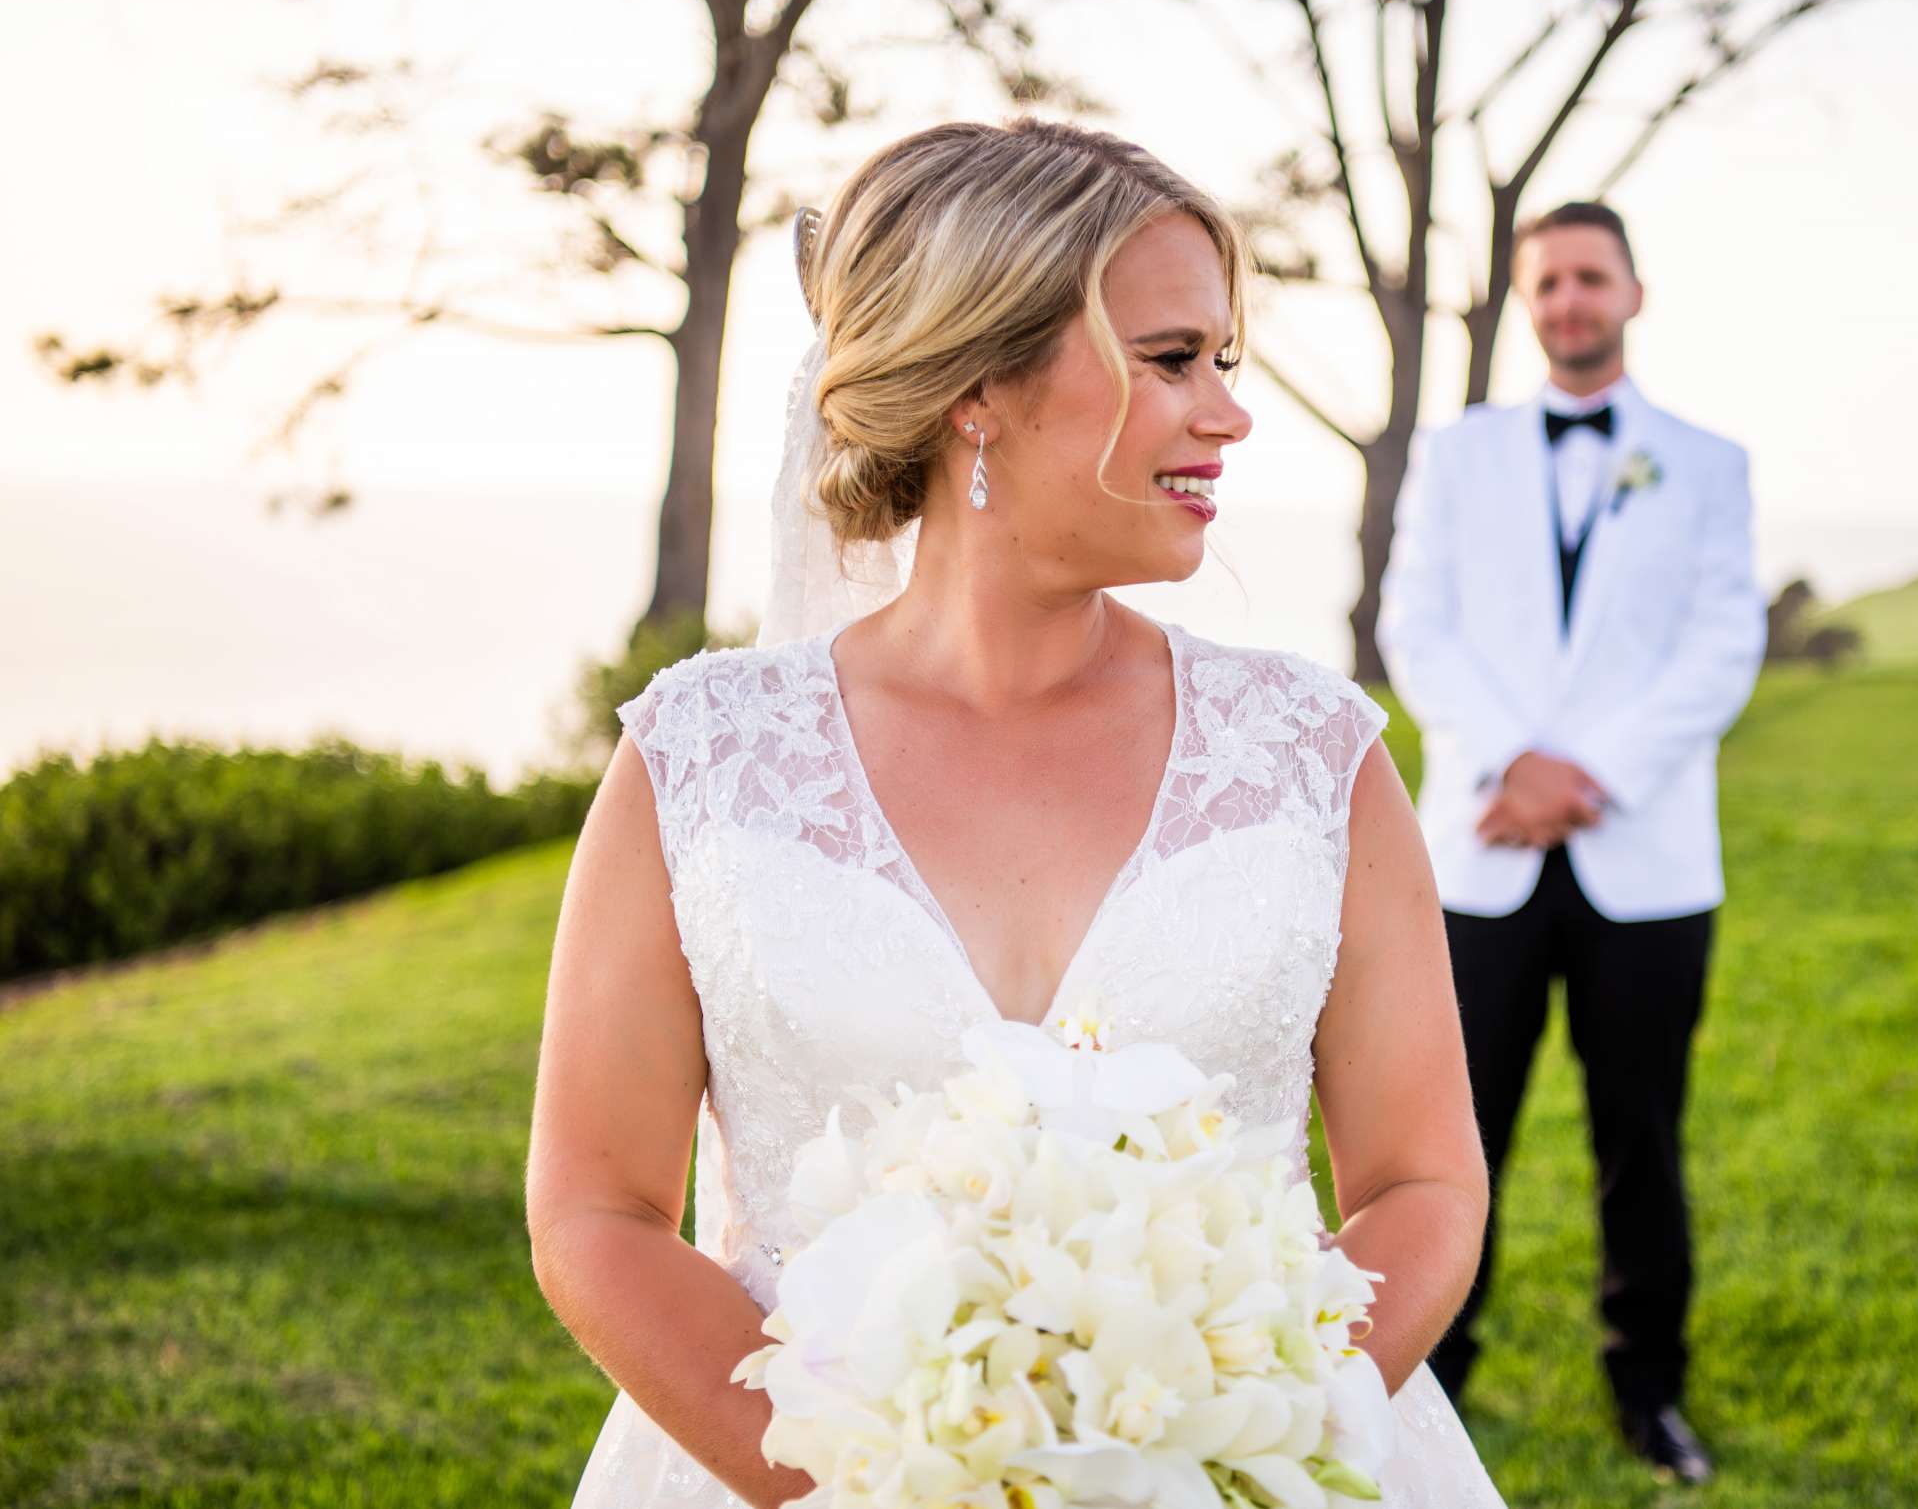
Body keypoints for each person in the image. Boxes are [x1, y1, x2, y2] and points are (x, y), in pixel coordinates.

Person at [525, 118, 1506, 1509]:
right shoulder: (702, 762)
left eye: (1223, 361)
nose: (1227, 412)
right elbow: (596, 1210)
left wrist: (1239, 1446)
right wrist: (876, 1485)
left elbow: (1422, 1184)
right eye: (1174, 360)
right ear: (978, 385)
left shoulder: (1314, 757)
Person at [1378, 200, 1766, 1483]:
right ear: (1528, 299)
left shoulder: (1707, 463)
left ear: (1633, 295)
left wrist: (1586, 777)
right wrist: (1512, 766)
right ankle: (1423, 1378)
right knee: (1448, 1134)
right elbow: (1416, 625)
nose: (1567, 302)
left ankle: (1649, 1391)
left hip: (1644, 861)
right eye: (1547, 283)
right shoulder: (1460, 453)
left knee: (1640, 1136)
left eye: (1590, 279)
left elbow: (1722, 647)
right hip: (1483, 851)